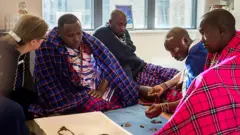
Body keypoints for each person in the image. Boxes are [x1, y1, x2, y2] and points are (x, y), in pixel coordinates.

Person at [29, 14, 139, 116]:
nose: (76, 38)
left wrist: (100, 90)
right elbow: (48, 82)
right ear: (60, 34)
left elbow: (109, 66)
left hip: (95, 86)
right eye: (70, 35)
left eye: (79, 33)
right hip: (71, 93)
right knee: (93, 105)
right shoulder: (49, 47)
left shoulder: (88, 41)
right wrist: (84, 93)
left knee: (123, 90)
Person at [154, 9, 240, 135]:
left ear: (221, 31)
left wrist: (164, 106)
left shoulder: (198, 54)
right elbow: (186, 72)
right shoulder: (215, 50)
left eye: (204, 33)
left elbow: (201, 89)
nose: (202, 40)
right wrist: (166, 85)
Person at [93, 9, 179, 87]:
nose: (123, 28)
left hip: (141, 64)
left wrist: (123, 49)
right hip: (133, 74)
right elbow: (125, 55)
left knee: (174, 74)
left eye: (125, 25)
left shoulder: (124, 32)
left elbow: (131, 50)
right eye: (120, 25)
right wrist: (123, 49)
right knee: (161, 85)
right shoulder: (102, 33)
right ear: (110, 22)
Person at [0, 14, 48, 134]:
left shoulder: (19, 51)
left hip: (7, 93)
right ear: (33, 41)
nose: (44, 41)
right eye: (44, 38)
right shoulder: (6, 53)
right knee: (14, 110)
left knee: (28, 101)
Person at [144, 27, 207, 115]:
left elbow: (192, 99)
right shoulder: (197, 49)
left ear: (185, 41)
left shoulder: (195, 58)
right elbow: (186, 70)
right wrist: (164, 86)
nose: (173, 55)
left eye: (174, 50)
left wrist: (164, 106)